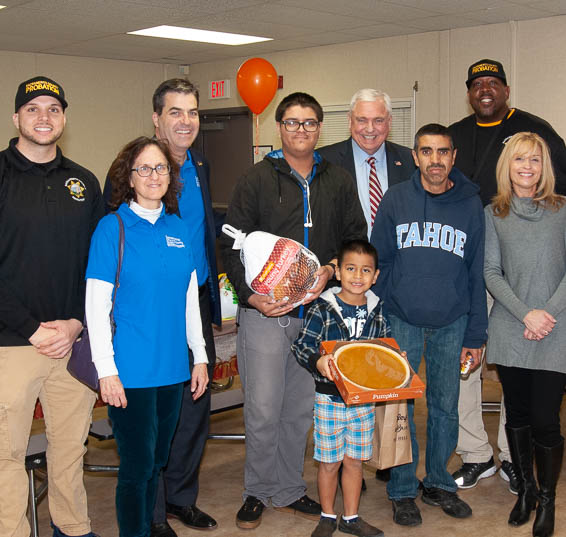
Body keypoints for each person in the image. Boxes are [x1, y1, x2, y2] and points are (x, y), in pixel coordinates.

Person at [221, 92, 367, 530]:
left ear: (320, 129)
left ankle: (286, 488)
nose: (300, 130)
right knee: (263, 409)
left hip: (317, 317)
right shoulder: (255, 180)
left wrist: (329, 270)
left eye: (308, 123)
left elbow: (354, 239)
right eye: (291, 122)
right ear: (278, 128)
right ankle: (256, 491)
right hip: (265, 316)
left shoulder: (338, 180)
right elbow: (231, 247)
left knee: (300, 411)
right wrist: (250, 297)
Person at [103, 78, 220, 536]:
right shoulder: (136, 171)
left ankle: (180, 500)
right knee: (149, 422)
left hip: (193, 305)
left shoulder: (199, 165)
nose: (185, 121)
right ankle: (152, 517)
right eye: (175, 112)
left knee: (192, 412)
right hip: (147, 315)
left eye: (192, 112)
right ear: (156, 119)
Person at [449, 59, 566, 493]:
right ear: (469, 92)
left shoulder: (536, 128)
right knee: (468, 367)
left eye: (493, 83)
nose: (485, 90)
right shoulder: (456, 135)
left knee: (519, 387)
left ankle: (515, 461)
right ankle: (476, 454)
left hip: (524, 278)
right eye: (477, 83)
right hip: (469, 269)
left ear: (506, 89)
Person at [86, 136, 208, 537]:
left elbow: (190, 298)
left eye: (160, 168)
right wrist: (106, 370)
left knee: (156, 461)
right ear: (129, 177)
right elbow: (96, 306)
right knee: (137, 469)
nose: (153, 176)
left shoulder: (178, 228)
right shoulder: (113, 228)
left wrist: (201, 356)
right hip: (129, 373)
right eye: (144, 168)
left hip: (172, 369)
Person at [0, 76, 103, 537]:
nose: (44, 117)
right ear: (17, 117)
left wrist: (76, 324)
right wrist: (30, 327)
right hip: (10, 344)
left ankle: (73, 526)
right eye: (34, 108)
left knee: (70, 449)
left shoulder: (83, 181)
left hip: (70, 344)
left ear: (64, 118)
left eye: (54, 109)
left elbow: (97, 265)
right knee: (6, 453)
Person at [370, 123, 487, 527]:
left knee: (444, 408)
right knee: (399, 408)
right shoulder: (397, 198)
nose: (434, 160)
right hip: (401, 320)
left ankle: (438, 482)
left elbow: (477, 273)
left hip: (452, 323)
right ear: (415, 156)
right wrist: (381, 316)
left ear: (453, 157)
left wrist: (476, 333)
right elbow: (379, 262)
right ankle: (402, 489)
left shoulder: (471, 205)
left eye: (442, 152)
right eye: (426, 151)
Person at [484, 132, 565, 537]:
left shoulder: (563, 210)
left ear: (544, 166)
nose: (527, 167)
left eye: (534, 160)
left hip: (557, 327)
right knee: (515, 414)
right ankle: (527, 492)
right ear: (508, 167)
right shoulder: (493, 213)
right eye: (519, 160)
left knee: (545, 419)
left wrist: (546, 314)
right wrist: (526, 314)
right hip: (511, 327)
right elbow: (490, 272)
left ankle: (548, 500)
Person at [292, 240, 387, 537]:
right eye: (350, 269)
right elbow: (302, 345)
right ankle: (327, 515)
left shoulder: (378, 309)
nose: (357, 276)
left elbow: (384, 348)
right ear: (338, 273)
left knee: (355, 463)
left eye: (365, 270)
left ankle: (352, 517)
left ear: (375, 276)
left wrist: (395, 360)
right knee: (330, 463)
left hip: (362, 402)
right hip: (329, 400)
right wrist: (317, 361)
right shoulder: (322, 307)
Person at [318, 88, 415, 239]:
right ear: (350, 121)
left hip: (398, 260)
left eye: (378, 120)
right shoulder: (323, 162)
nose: (370, 129)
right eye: (362, 120)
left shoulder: (410, 161)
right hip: (343, 259)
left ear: (389, 122)